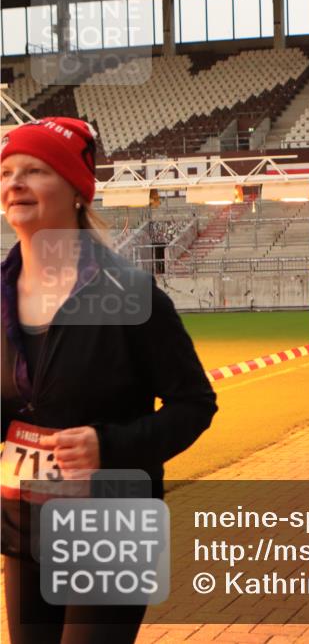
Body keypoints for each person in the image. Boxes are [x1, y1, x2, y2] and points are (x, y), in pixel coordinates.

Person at [1, 118, 217, 643]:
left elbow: (194, 404)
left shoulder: (130, 295)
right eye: (6, 172)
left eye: (35, 170)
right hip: (23, 522)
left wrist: (109, 445)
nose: (14, 183)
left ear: (77, 190)